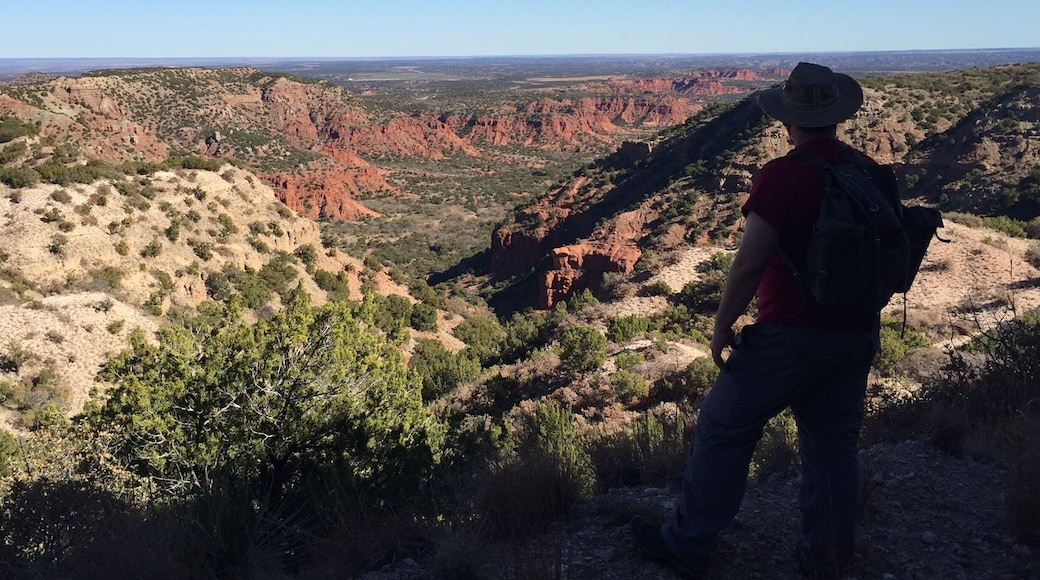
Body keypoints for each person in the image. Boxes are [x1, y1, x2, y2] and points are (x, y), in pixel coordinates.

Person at [631, 62, 882, 579]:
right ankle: (827, 560)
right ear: (836, 116)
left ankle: (689, 542)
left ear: (788, 120)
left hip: (789, 333)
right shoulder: (867, 171)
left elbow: (748, 263)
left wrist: (722, 326)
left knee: (723, 428)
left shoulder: (783, 175)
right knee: (834, 447)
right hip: (855, 332)